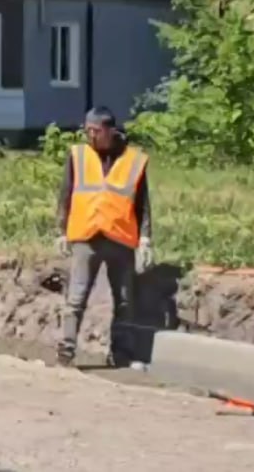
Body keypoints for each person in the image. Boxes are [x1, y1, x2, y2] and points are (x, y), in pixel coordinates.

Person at [55, 106, 154, 368]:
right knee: (76, 298)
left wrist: (145, 238)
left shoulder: (134, 160)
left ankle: (120, 355)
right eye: (87, 130)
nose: (90, 136)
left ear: (110, 130)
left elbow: (142, 203)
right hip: (86, 236)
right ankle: (65, 352)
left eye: (95, 131)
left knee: (123, 300)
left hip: (120, 239)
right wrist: (61, 231)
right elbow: (66, 194)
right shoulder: (78, 155)